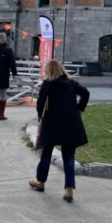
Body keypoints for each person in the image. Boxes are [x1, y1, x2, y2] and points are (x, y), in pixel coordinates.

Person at [29, 59, 89, 201]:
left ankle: (41, 182)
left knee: (46, 153)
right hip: (70, 123)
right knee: (68, 156)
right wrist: (80, 109)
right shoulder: (71, 83)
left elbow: (41, 103)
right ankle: (69, 189)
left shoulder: (48, 84)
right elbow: (85, 93)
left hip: (52, 123)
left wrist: (40, 117)